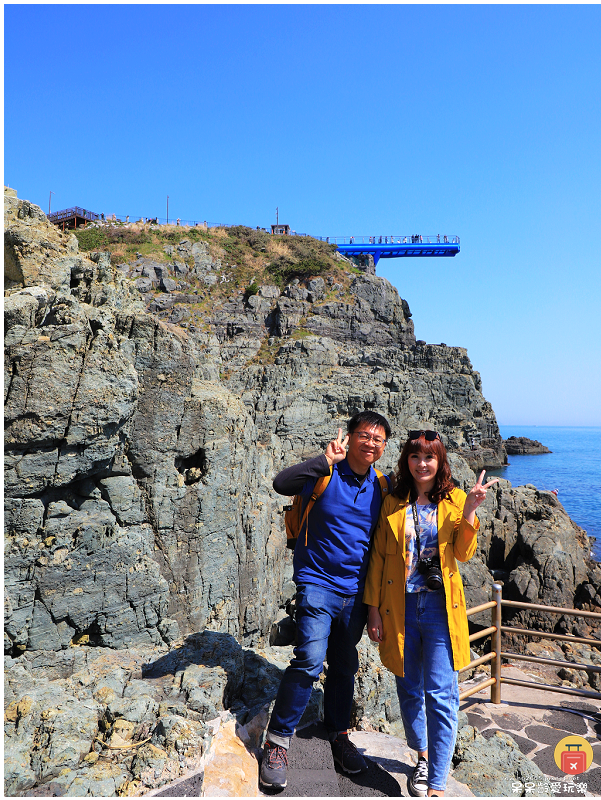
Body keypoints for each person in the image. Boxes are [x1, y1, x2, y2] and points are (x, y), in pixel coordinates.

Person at [260, 411, 392, 791]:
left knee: (344, 663)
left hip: (355, 592)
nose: (370, 443)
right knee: (310, 659)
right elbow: (280, 482)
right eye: (364, 435)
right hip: (316, 583)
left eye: (378, 439)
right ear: (350, 438)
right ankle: (278, 742)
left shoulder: (382, 487)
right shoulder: (324, 475)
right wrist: (325, 460)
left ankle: (337, 734)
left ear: (384, 448)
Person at [364, 430, 498, 797]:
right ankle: (421, 754)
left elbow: (465, 552)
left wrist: (470, 509)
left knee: (441, 694)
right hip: (399, 608)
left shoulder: (455, 499)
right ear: (406, 460)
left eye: (429, 457)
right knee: (407, 686)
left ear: (440, 462)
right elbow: (377, 558)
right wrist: (372, 610)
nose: (422, 464)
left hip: (440, 609)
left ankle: (436, 782)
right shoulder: (393, 501)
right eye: (415, 457)